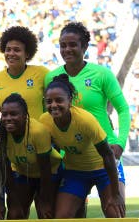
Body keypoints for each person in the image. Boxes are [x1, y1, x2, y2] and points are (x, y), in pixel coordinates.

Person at [45, 21, 130, 206]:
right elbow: (50, 118)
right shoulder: (51, 78)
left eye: (73, 45)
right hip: (73, 160)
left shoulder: (102, 74)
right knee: (68, 218)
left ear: (84, 47)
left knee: (115, 211)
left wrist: (120, 142)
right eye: (63, 45)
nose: (67, 49)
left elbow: (123, 109)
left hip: (105, 153)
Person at [39, 74, 124, 219]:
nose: (53, 105)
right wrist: (46, 199)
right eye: (49, 101)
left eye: (59, 100)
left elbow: (108, 155)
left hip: (103, 169)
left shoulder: (85, 120)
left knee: (115, 215)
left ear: (70, 101)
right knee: (62, 217)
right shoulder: (44, 121)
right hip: (75, 172)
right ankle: (80, 204)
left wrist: (116, 194)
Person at [0, 93, 61, 219]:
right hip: (24, 173)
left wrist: (44, 201)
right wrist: (14, 201)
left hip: (50, 173)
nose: (8, 118)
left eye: (13, 114)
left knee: (46, 213)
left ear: (24, 115)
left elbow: (45, 170)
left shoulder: (38, 132)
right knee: (15, 214)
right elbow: (5, 171)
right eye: (4, 114)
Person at [0, 26, 48, 120]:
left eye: (17, 50)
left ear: (27, 54)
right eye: (8, 49)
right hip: (10, 134)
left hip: (38, 133)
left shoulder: (42, 73)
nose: (11, 53)